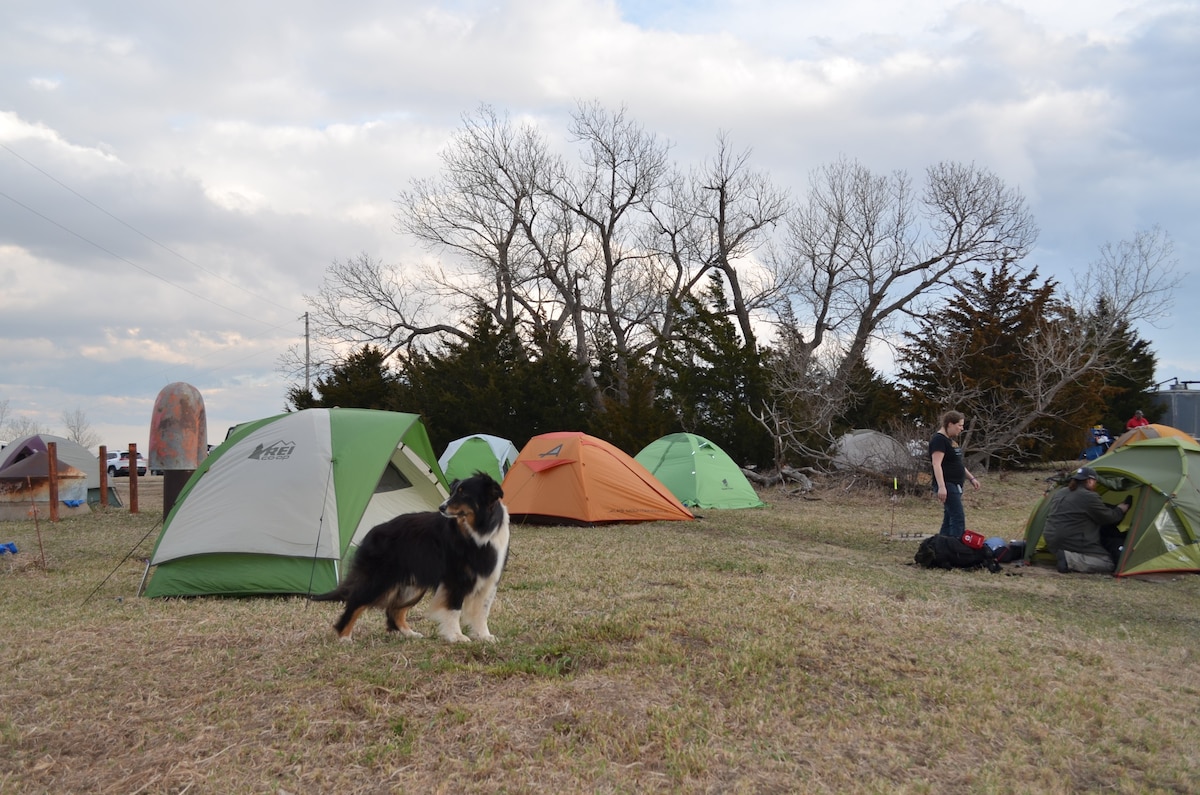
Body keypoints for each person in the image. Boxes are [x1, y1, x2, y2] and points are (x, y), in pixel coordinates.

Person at [1042, 465, 1130, 574]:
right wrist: (1121, 509)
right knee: (1107, 563)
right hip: (1070, 539)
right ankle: (1069, 559)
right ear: (1090, 481)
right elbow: (1109, 518)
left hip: (1050, 539)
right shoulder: (1089, 496)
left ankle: (1066, 555)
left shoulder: (1061, 492)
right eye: (1095, 481)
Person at [929, 410, 980, 538]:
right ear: (950, 424)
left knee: (949, 518)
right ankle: (956, 547)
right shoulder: (938, 440)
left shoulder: (951, 441)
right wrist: (941, 487)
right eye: (960, 425)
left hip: (956, 484)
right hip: (947, 484)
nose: (962, 429)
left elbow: (957, 463)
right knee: (958, 517)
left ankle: (942, 545)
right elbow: (937, 464)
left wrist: (971, 478)